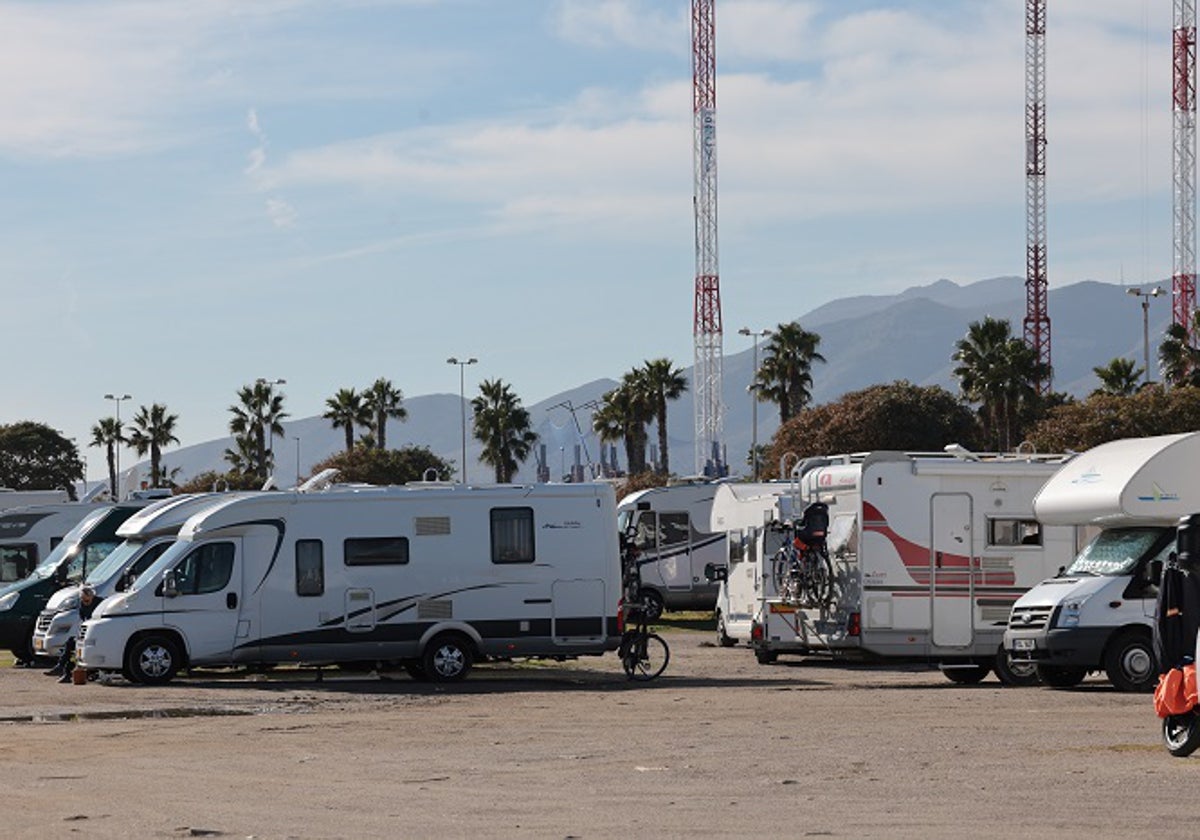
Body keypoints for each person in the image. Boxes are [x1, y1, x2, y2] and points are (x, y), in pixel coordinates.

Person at [44, 585, 103, 683]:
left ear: (92, 597)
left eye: (87, 600)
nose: (85, 602)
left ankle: (68, 671)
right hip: (86, 632)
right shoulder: (82, 605)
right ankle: (62, 669)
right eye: (83, 600)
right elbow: (83, 620)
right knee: (70, 643)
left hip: (98, 634)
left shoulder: (100, 604)